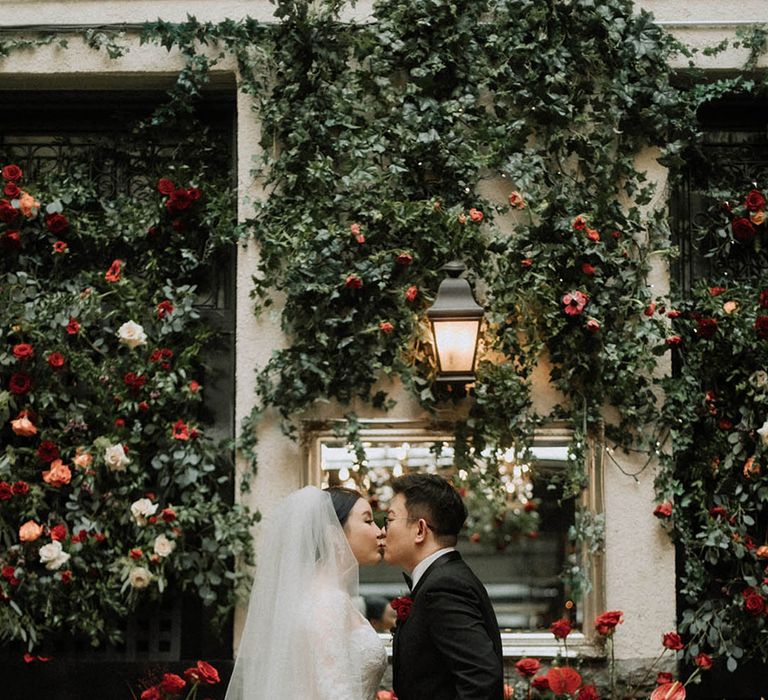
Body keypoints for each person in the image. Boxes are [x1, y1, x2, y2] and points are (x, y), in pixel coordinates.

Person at [225, 485, 387, 699]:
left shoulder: (324, 595)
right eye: (368, 521)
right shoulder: (326, 601)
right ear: (334, 535)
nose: (380, 532)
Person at [382, 473, 504, 700]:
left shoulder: (444, 586)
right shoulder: (441, 579)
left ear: (420, 530)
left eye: (389, 520)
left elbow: (481, 680)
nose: (382, 531)